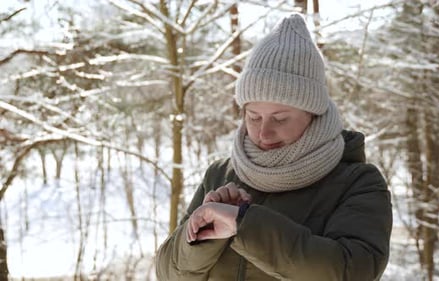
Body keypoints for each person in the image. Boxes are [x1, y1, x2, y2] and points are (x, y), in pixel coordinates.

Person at [155, 13, 392, 281]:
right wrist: (203, 236)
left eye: (280, 118)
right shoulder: (220, 174)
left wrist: (243, 223)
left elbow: (353, 270)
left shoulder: (357, 182)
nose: (263, 132)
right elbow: (168, 273)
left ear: (313, 114)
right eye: (253, 116)